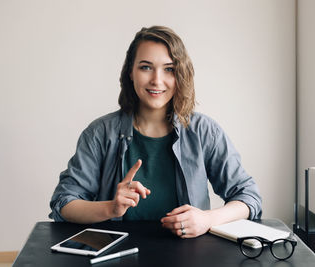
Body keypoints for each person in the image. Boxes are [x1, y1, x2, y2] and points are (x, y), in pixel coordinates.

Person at [49, 26, 262, 238]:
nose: (157, 81)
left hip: (190, 256)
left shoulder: (205, 131)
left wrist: (207, 219)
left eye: (169, 69)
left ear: (181, 75)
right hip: (116, 255)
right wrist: (111, 208)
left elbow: (248, 196)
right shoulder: (100, 133)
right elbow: (64, 202)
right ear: (130, 72)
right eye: (145, 67)